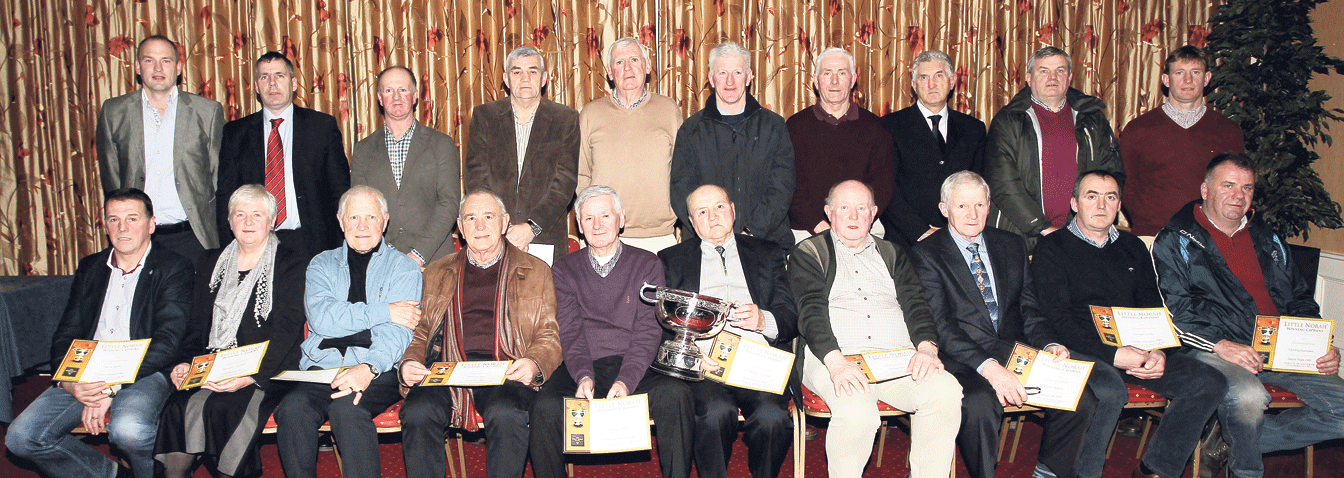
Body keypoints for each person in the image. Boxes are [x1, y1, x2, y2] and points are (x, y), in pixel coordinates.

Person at [1153, 153, 1344, 478]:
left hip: (1282, 351)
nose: (1238, 196)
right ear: (1205, 189)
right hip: (1214, 350)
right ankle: (1244, 462)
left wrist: (1319, 344)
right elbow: (1178, 312)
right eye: (1228, 186)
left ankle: (1239, 441)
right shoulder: (1176, 241)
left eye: (1247, 188)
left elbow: (1300, 299)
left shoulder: (1268, 239)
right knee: (1249, 398)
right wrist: (1222, 345)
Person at [1033, 170, 1225, 478]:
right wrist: (1113, 355)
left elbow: (1152, 307)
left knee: (1208, 382)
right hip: (1081, 349)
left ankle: (1156, 470)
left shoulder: (1133, 247)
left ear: (1119, 204)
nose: (1101, 205)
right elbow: (1058, 321)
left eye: (1110, 197)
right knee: (1109, 390)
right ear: (1074, 203)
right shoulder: (1051, 248)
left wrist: (1160, 350)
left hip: (1137, 348)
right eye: (1091, 196)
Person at [910, 171, 1093, 478]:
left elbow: (1029, 309)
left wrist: (1049, 344)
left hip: (1014, 351)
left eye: (980, 205)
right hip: (960, 359)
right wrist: (990, 368)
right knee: (980, 405)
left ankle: (1049, 471)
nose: (973, 214)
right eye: (962, 206)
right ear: (945, 209)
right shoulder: (926, 254)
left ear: (990, 205)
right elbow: (940, 325)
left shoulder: (1011, 244)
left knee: (1080, 397)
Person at [7, 188, 193, 478]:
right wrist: (70, 382)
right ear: (105, 225)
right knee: (21, 438)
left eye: (132, 219)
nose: (122, 228)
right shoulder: (91, 267)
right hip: (87, 369)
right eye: (114, 220)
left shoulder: (174, 267)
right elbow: (66, 332)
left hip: (144, 369)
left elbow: (168, 341)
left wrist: (110, 387)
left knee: (128, 431)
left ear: (151, 224)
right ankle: (113, 475)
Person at [790, 180, 962, 478]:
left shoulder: (894, 253)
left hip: (897, 358)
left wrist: (926, 349)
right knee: (857, 412)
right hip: (836, 357)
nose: (853, 217)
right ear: (829, 212)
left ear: (874, 213)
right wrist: (836, 363)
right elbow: (810, 312)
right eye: (844, 208)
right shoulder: (810, 252)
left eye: (861, 209)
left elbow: (917, 305)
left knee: (946, 391)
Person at [531, 185, 694, 478]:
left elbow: (647, 332)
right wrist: (583, 376)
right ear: (579, 226)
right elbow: (569, 330)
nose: (597, 225)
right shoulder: (564, 269)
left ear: (621, 218)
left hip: (636, 363)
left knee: (676, 396)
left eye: (605, 215)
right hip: (583, 363)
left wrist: (626, 381)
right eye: (588, 218)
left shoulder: (648, 264)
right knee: (544, 407)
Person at [396, 190, 562, 478]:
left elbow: (548, 334)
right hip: (447, 368)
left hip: (506, 369)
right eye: (471, 218)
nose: (480, 225)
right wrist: (409, 361)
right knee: (418, 411)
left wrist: (535, 363)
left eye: (488, 217)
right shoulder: (436, 272)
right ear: (460, 227)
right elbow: (420, 331)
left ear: (505, 223)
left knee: (507, 414)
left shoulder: (536, 270)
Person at [155, 184, 307, 478]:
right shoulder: (210, 261)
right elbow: (196, 324)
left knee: (228, 408)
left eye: (257, 215)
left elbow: (286, 331)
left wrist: (249, 376)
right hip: (212, 362)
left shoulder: (291, 262)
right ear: (229, 221)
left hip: (267, 369)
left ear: (272, 221)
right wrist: (185, 361)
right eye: (240, 215)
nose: (248, 222)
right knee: (177, 408)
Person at [273, 185, 423, 478]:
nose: (362, 226)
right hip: (321, 369)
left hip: (379, 368)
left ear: (385, 220)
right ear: (341, 222)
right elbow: (322, 320)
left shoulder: (404, 268)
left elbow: (398, 333)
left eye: (370, 217)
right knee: (292, 409)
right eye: (354, 218)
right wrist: (384, 310)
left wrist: (369, 368)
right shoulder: (321, 264)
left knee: (347, 408)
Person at [658, 184, 798, 478]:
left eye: (719, 207)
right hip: (705, 364)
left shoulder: (768, 252)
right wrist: (692, 356)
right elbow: (661, 326)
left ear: (733, 210)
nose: (713, 217)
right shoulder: (671, 259)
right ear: (692, 222)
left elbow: (791, 316)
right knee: (714, 414)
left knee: (773, 418)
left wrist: (764, 321)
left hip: (758, 361)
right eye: (702, 212)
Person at [97, 35, 225, 260]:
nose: (158, 68)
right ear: (137, 67)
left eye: (165, 61)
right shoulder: (113, 112)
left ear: (178, 67)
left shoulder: (207, 112)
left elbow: (217, 177)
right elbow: (112, 181)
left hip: (193, 238)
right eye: (149, 61)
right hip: (137, 240)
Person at [984, 46, 1122, 249]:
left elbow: (1111, 173)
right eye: (1043, 70)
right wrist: (1044, 228)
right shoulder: (1008, 121)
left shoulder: (1093, 120)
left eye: (1060, 70)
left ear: (1070, 77)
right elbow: (1002, 183)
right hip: (1019, 236)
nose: (1053, 77)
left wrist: (1087, 226)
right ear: (1029, 78)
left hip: (1080, 236)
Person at [218, 51, 350, 259]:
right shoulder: (235, 133)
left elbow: (339, 191)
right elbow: (226, 197)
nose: (272, 84)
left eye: (279, 76)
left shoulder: (321, 127)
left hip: (312, 244)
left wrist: (340, 247)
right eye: (264, 77)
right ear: (256, 87)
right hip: (255, 245)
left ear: (294, 83)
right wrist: (229, 250)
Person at [671, 42, 796, 251]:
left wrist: (751, 232)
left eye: (737, 72)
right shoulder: (691, 130)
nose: (730, 81)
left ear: (749, 76)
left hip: (765, 245)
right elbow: (681, 191)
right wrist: (714, 234)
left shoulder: (774, 126)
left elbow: (782, 188)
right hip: (706, 246)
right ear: (711, 78)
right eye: (722, 73)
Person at [464, 46, 579, 264]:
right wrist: (500, 226)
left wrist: (531, 228)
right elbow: (476, 179)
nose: (525, 78)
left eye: (532, 71)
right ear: (506, 79)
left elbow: (564, 183)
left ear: (544, 78)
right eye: (517, 72)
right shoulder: (484, 117)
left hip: (545, 237)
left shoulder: (566, 119)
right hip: (493, 237)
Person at [1119, 46, 1245, 236]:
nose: (1188, 80)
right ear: (1166, 79)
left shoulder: (1228, 131)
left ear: (1207, 78)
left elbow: (1236, 187)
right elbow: (1125, 185)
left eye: (1196, 72)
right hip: (1152, 235)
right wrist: (1147, 221)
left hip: (1210, 238)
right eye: (1180, 73)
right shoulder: (1138, 129)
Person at [578, 37, 682, 252]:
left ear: (648, 66)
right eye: (619, 62)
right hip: (605, 236)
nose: (627, 68)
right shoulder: (590, 113)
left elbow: (682, 171)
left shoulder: (669, 109)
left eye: (634, 59)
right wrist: (594, 219)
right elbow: (581, 175)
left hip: (659, 235)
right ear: (609, 71)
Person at [351, 66, 461, 265]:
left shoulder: (441, 144)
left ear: (415, 96)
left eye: (403, 89)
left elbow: (449, 203)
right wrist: (386, 257)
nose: (396, 97)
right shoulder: (363, 150)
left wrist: (418, 255)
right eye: (388, 90)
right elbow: (360, 208)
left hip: (435, 262)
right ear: (379, 97)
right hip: (381, 263)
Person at [787, 47, 895, 244]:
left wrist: (857, 221)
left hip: (863, 226)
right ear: (816, 80)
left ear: (853, 79)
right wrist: (819, 225)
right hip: (808, 230)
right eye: (827, 73)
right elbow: (788, 184)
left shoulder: (875, 127)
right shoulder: (795, 126)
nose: (834, 81)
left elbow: (884, 183)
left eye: (842, 73)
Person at [880, 49, 987, 246]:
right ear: (914, 85)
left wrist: (956, 231)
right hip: (907, 241)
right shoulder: (890, 126)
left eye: (939, 75)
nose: (931, 84)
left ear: (953, 80)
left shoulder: (974, 129)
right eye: (923, 77)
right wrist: (922, 232)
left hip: (961, 239)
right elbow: (885, 188)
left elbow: (978, 187)